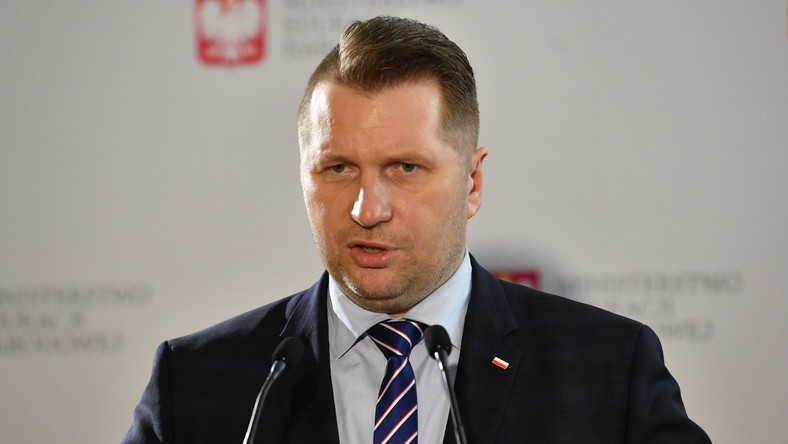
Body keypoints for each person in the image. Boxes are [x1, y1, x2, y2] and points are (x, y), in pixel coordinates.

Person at [123, 16, 711, 443]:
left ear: (472, 183)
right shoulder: (198, 381)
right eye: (338, 168)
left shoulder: (608, 369)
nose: (367, 209)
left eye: (405, 168)